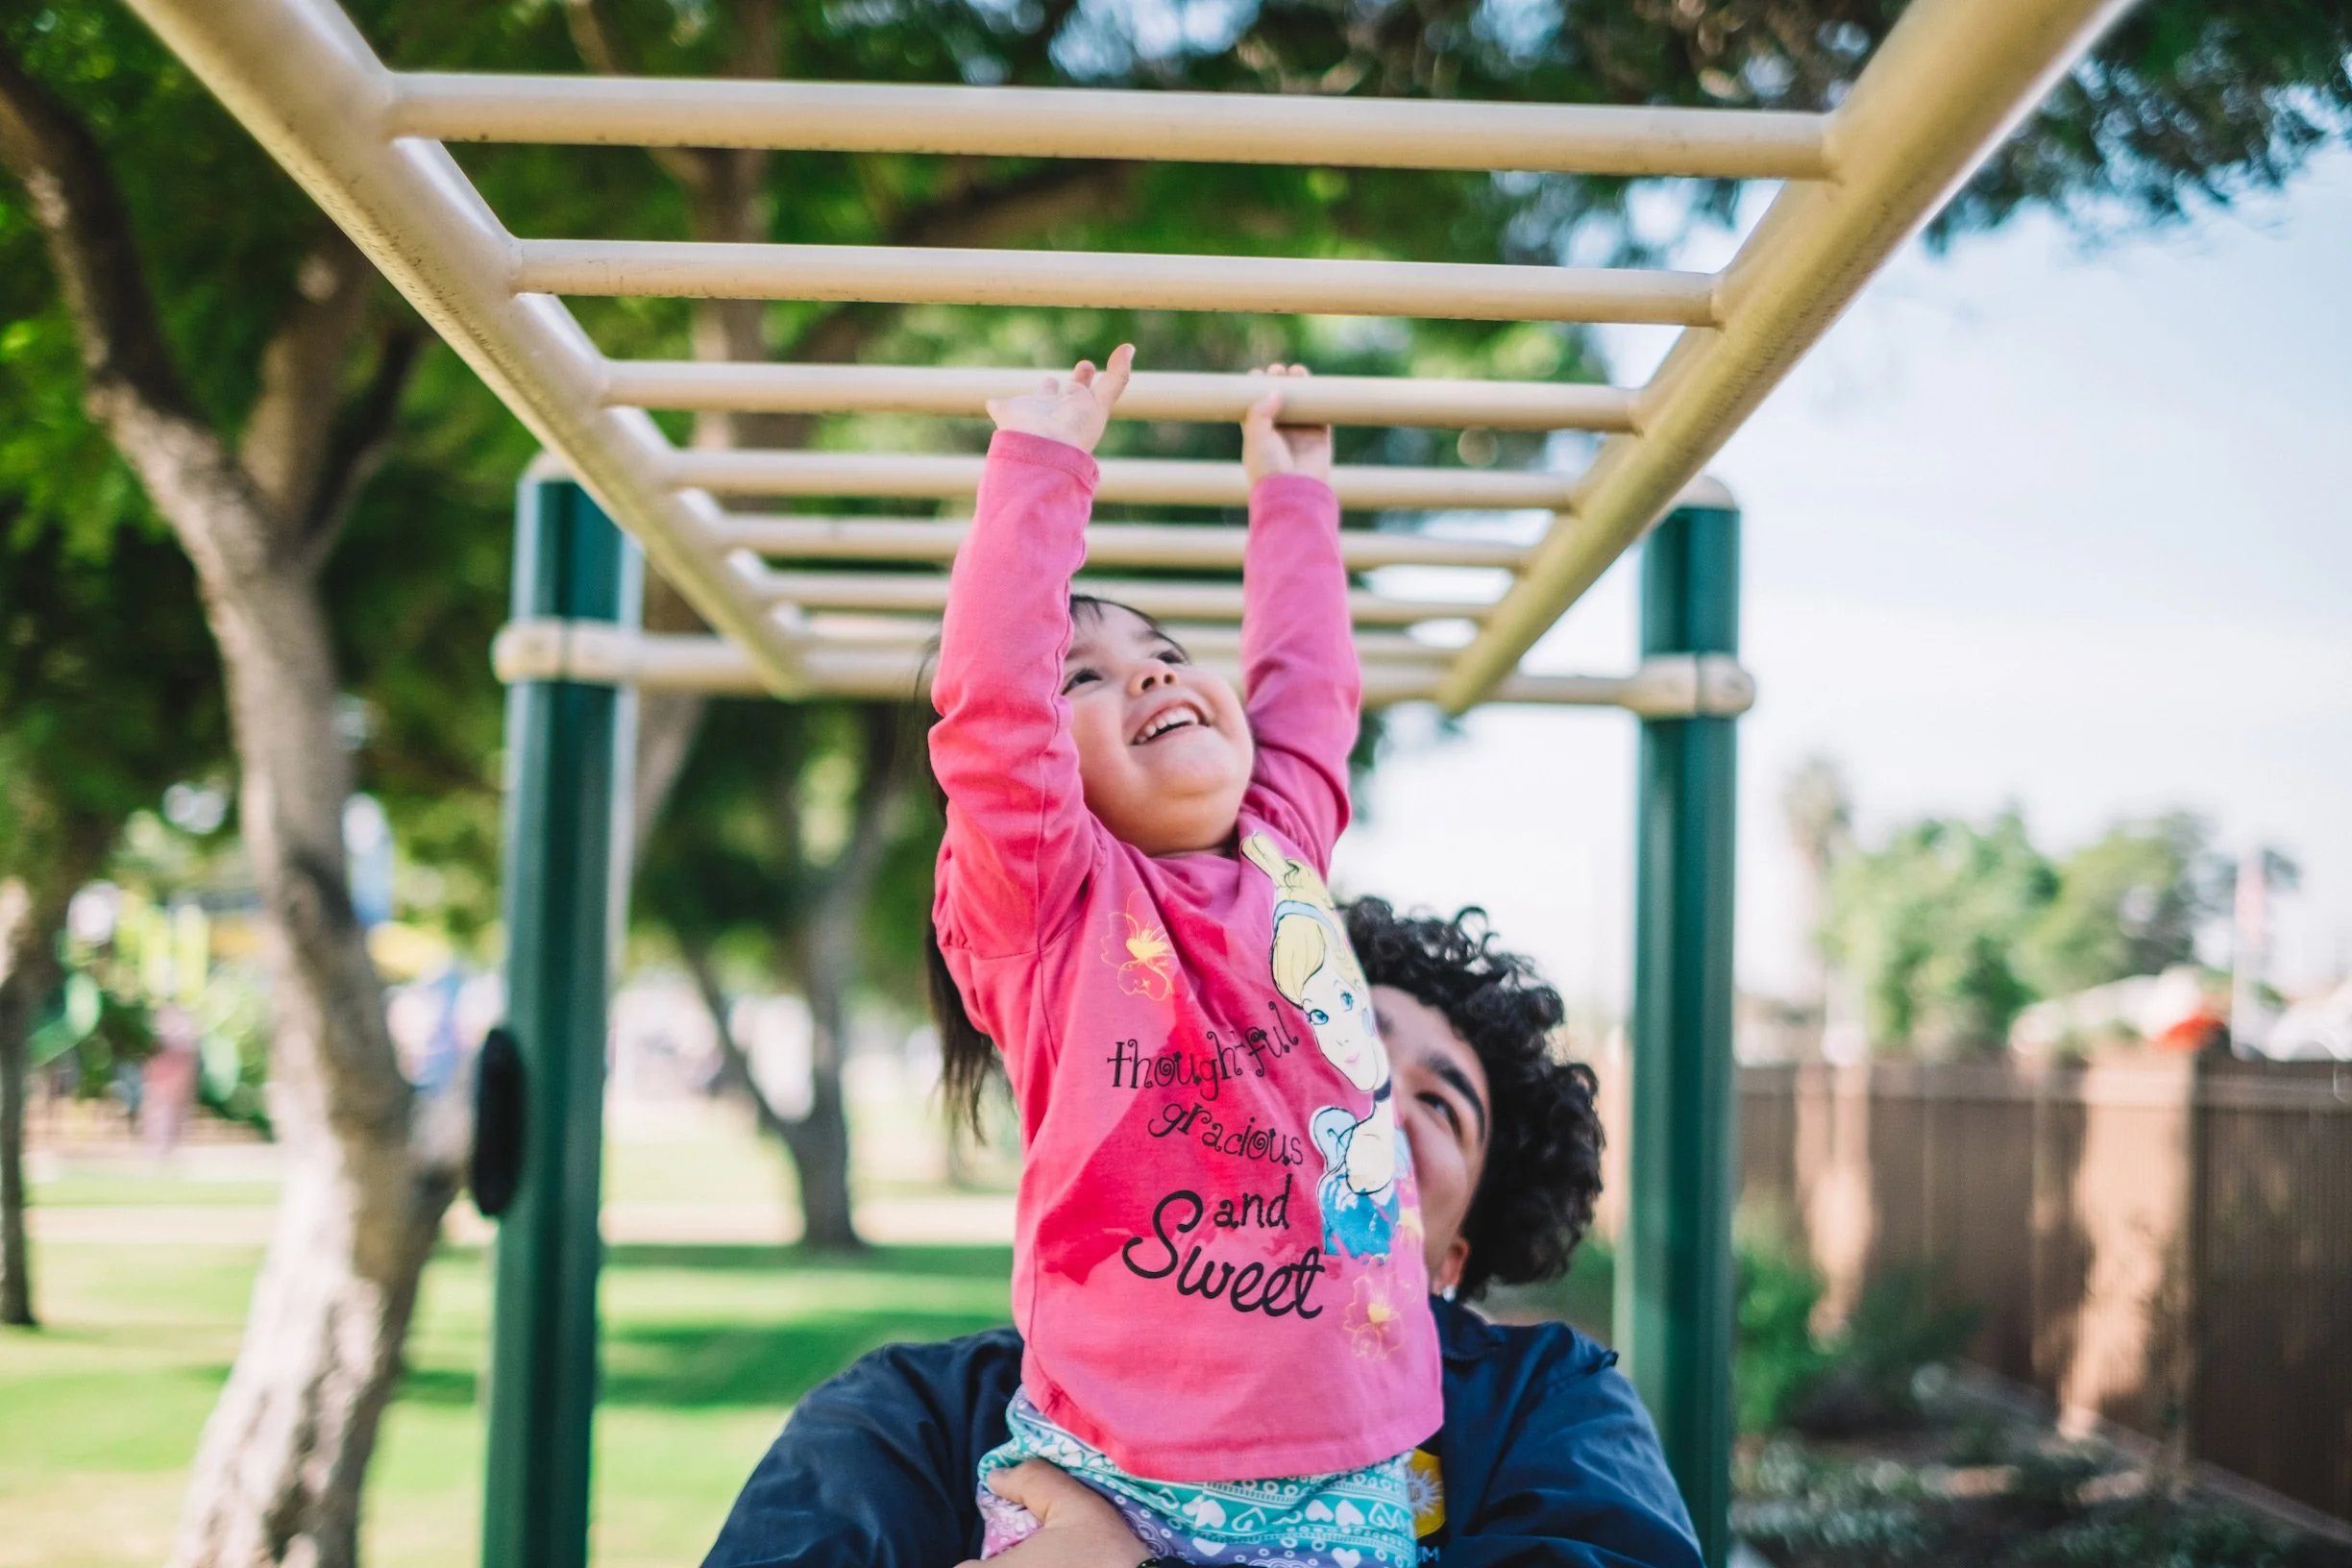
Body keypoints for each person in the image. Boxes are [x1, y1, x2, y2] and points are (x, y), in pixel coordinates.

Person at [704, 899, 1703, 1568]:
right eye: (1333, 1037)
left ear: (1448, 1264)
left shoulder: (1545, 1412)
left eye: (1440, 1107)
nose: (1371, 1091)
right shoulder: (912, 1423)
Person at [923, 346, 1437, 1568]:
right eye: (1084, 676)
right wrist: (1045, 467)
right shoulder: (1056, 902)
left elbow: (1307, 692)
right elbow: (993, 717)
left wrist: (1293, 498)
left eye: (1160, 649)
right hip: (1114, 1461)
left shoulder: (1286, 844)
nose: (1150, 669)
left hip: (1349, 1463)